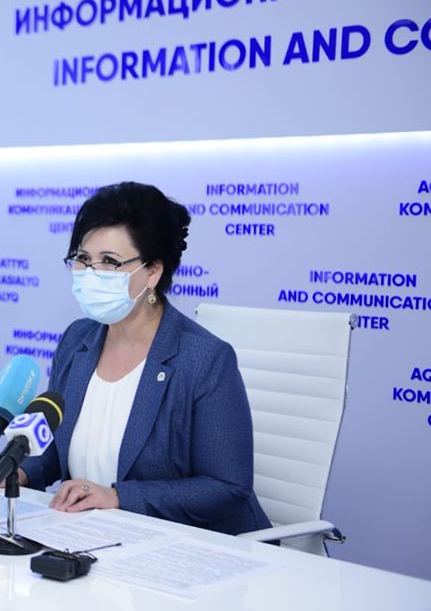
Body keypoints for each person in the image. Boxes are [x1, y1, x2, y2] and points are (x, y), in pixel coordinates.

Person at [18, 182, 271, 535]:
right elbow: (55, 448)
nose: (91, 273)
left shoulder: (205, 359)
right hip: (93, 537)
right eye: (83, 259)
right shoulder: (77, 340)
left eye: (109, 262)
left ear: (152, 271)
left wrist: (118, 497)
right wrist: (16, 471)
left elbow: (227, 487)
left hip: (188, 548)